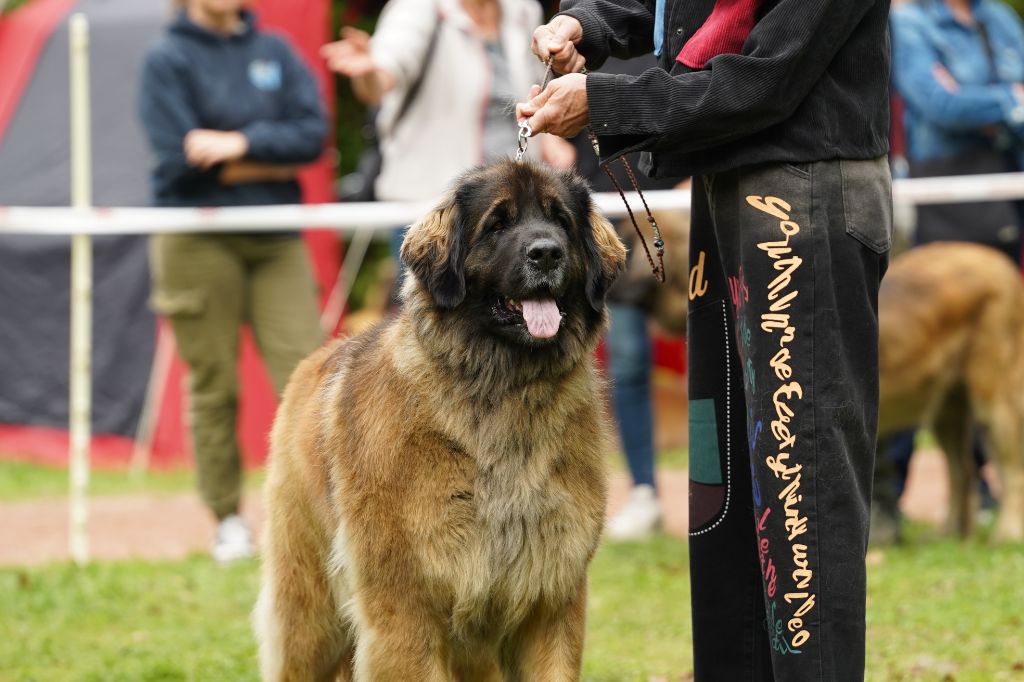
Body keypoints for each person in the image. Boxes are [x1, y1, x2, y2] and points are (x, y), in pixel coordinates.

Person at [518, 2, 892, 680]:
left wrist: (606, 99)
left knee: (799, 486)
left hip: (806, 189)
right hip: (723, 190)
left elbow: (767, 77)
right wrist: (589, 26)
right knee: (717, 483)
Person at [138, 0, 326, 563]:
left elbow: (312, 136)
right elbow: (176, 160)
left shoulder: (275, 51)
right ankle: (227, 519)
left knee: (309, 373)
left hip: (274, 235)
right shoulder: (166, 57)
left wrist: (235, 147)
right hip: (195, 236)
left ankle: (321, 509)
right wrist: (274, 158)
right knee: (214, 383)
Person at [877, 0, 1024, 539]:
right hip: (943, 194)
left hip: (1003, 197)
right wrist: (1010, 101)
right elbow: (937, 104)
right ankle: (888, 504)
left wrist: (984, 106)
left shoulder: (1000, 19)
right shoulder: (910, 19)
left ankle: (991, 497)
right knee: (892, 350)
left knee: (994, 390)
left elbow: (963, 102)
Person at [320, 0, 575, 290]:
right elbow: (384, 75)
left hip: (514, 210)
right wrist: (368, 72)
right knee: (433, 315)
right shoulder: (417, 9)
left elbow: (535, 91)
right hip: (434, 207)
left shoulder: (523, 11)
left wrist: (552, 140)